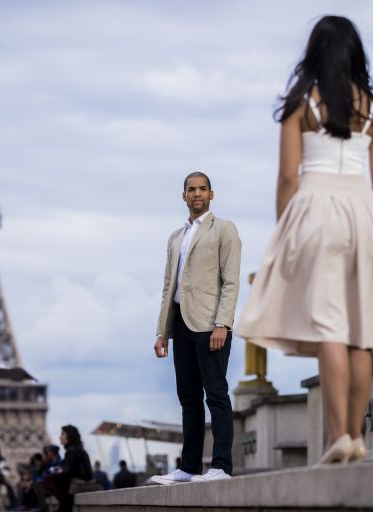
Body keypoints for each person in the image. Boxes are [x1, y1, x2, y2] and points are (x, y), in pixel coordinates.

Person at [236, 15, 373, 465]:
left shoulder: (301, 106)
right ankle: (358, 435)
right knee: (362, 333)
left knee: (329, 327)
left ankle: (337, 435)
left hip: (315, 210)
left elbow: (288, 176)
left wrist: (287, 228)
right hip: (363, 211)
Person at [151, 172, 241, 484]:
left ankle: (221, 466)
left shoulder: (225, 230)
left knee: (216, 395)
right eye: (191, 189)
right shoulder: (176, 237)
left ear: (211, 194)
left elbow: (231, 282)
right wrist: (162, 331)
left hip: (210, 325)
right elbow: (168, 287)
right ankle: (188, 467)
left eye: (202, 189)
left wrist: (223, 324)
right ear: (184, 195)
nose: (197, 194)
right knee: (188, 398)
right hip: (181, 326)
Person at [42, 425, 92, 512]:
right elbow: (66, 467)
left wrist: (52, 471)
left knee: (49, 480)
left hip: (80, 481)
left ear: (70, 436)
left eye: (63, 434)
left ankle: (65, 505)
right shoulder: (77, 449)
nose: (60, 437)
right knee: (52, 478)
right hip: (83, 479)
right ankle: (64, 505)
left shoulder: (72, 450)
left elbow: (66, 469)